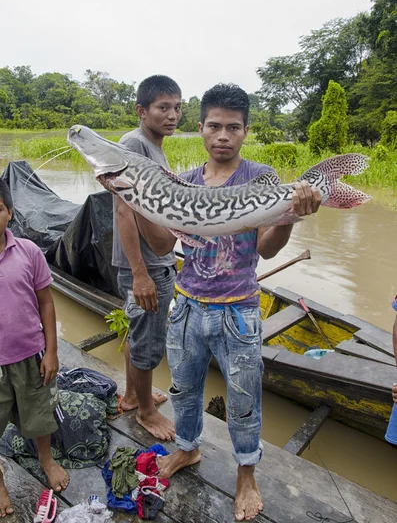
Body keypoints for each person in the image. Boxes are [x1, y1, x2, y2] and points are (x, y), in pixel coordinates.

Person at [139, 83, 322, 521]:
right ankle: (187, 449)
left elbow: (267, 251)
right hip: (186, 307)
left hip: (239, 310)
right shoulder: (181, 183)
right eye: (215, 126)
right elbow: (164, 246)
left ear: (245, 131)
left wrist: (292, 216)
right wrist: (140, 201)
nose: (223, 135)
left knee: (244, 400)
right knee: (183, 392)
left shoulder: (261, 178)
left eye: (233, 128)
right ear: (200, 128)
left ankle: (246, 473)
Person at [112, 74, 182, 441]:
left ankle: (130, 394)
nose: (172, 115)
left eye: (177, 107)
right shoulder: (133, 144)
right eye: (163, 108)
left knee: (140, 331)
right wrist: (140, 273)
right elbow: (125, 212)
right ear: (141, 111)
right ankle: (145, 411)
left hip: (154, 260)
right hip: (144, 265)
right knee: (149, 339)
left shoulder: (154, 146)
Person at [0, 179, 69, 517]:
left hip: (30, 354)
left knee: (40, 413)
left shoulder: (27, 251)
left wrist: (52, 350)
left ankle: (46, 458)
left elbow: (46, 302)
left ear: (10, 212)